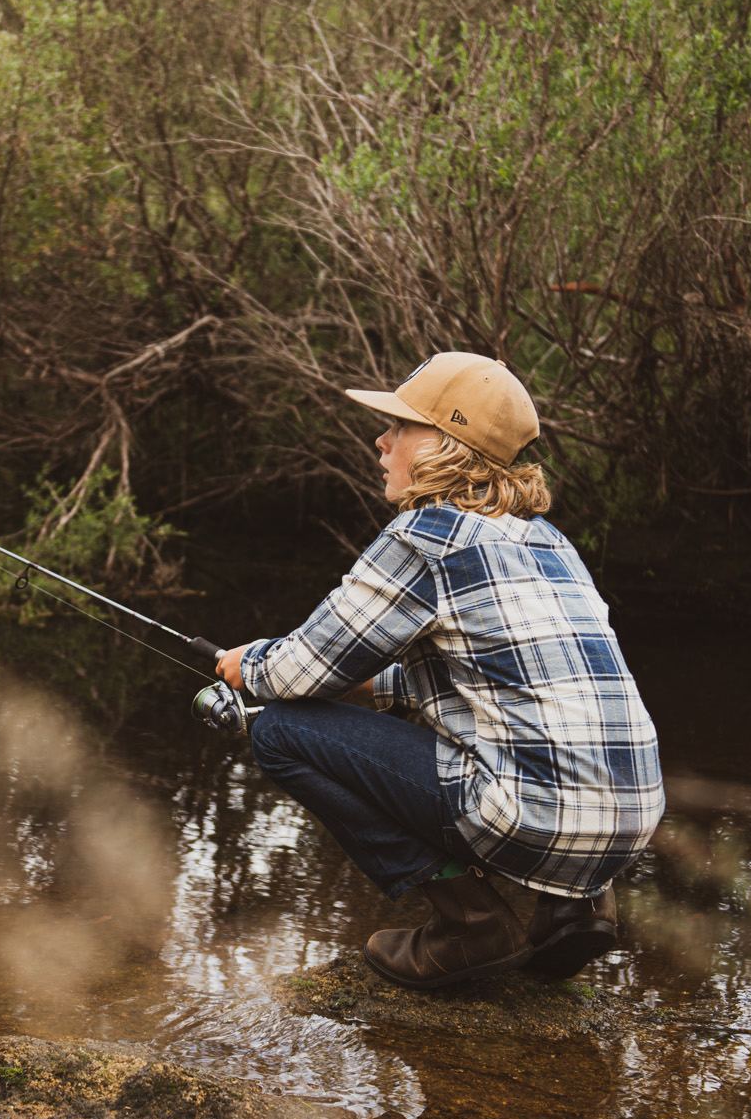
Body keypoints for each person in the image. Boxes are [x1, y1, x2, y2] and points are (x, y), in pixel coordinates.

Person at [215, 352, 664, 989]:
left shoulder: (425, 536)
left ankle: (471, 923)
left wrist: (247, 665)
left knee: (280, 731)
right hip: (632, 821)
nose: (382, 440)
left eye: (400, 426)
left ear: (446, 446)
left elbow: (294, 676)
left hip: (531, 817)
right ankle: (576, 907)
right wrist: (377, 688)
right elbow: (512, 682)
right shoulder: (544, 539)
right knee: (541, 759)